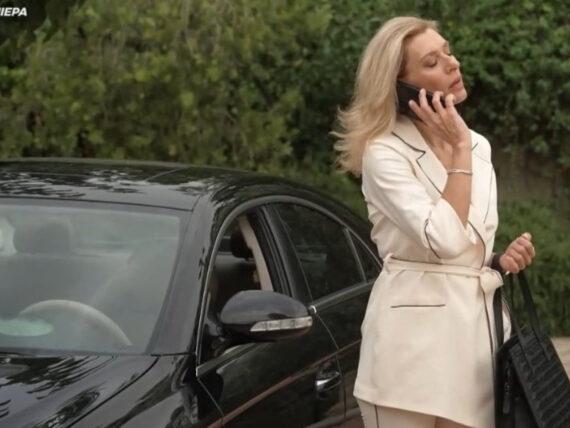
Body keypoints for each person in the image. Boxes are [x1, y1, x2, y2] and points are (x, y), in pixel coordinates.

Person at [333, 16, 535, 428]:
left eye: (448, 52)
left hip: (477, 346)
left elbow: (463, 243)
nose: (452, 63)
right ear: (400, 86)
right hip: (409, 356)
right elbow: (442, 239)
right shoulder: (384, 153)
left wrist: (495, 260)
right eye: (431, 62)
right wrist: (458, 151)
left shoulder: (477, 146)